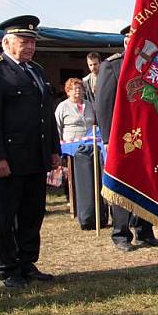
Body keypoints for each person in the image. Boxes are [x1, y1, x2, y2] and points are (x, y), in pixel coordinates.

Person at [0, 15, 61, 287]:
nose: (30, 46)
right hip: (8, 160)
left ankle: (26, 263)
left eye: (33, 42)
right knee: (4, 216)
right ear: (6, 42)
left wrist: (53, 149)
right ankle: (7, 269)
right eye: (24, 41)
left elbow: (47, 114)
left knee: (32, 213)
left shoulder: (37, 71)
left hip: (35, 156)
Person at [94, 25, 158, 252]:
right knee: (120, 182)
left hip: (149, 135)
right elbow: (103, 104)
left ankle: (144, 230)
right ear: (125, 41)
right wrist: (107, 138)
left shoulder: (153, 65)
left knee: (148, 181)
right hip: (122, 137)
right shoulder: (112, 65)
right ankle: (120, 233)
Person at [55, 78, 108, 230]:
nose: (78, 91)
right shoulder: (62, 107)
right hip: (71, 146)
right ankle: (75, 205)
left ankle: (98, 208)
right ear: (68, 91)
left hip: (91, 147)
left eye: (80, 88)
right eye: (74, 89)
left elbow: (96, 123)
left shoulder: (89, 105)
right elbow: (57, 127)